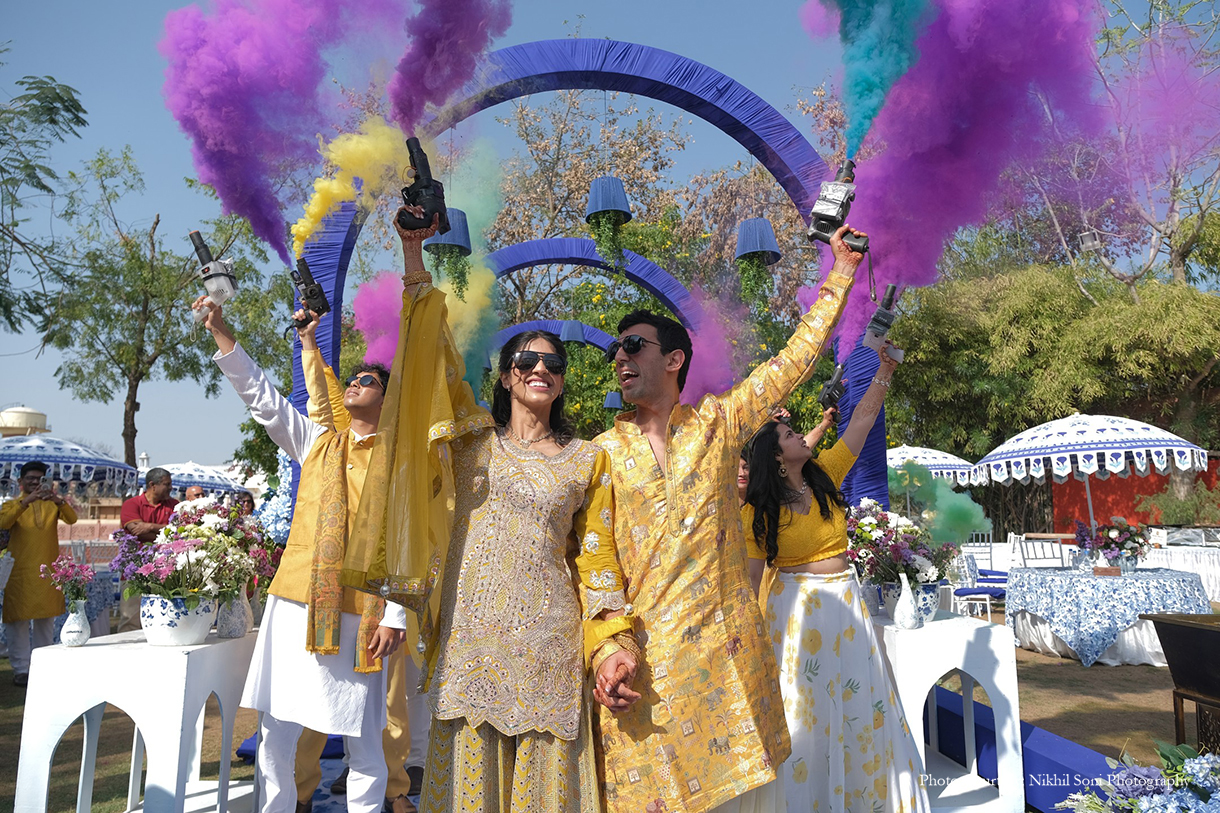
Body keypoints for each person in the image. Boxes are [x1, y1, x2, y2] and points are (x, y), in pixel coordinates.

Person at [342, 207, 639, 813]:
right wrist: (413, 255)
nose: (540, 369)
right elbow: (432, 353)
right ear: (505, 378)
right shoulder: (470, 441)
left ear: (563, 382)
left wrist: (613, 643)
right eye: (526, 362)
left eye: (553, 364)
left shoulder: (588, 460)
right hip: (469, 644)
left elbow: (597, 561)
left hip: (548, 648)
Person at [591, 223, 867, 813]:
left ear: (674, 360)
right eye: (616, 349)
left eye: (633, 345)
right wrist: (606, 645)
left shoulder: (717, 424)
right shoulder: (601, 454)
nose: (619, 357)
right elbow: (596, 560)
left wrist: (842, 272)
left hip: (721, 661)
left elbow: (793, 362)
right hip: (641, 664)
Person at [196, 296, 409, 813]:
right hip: (293, 602)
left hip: (359, 611)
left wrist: (396, 615)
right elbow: (261, 397)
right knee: (276, 731)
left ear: (389, 401)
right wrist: (220, 331)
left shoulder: (400, 464)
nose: (355, 382)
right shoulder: (317, 442)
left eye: (368, 380)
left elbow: (407, 542)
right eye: (352, 378)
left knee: (364, 739)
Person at [743, 341, 929, 813]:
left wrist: (884, 372)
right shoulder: (757, 511)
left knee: (857, 706)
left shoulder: (824, 473)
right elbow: (748, 584)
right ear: (777, 457)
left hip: (846, 606)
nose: (800, 436)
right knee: (803, 715)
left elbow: (862, 421)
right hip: (794, 616)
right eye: (789, 434)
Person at [0, 461, 77, 687]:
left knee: (46, 620)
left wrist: (57, 500)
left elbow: (72, 519)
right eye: (30, 479)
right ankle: (21, 669)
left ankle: (43, 666)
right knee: (18, 622)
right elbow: (3, 522)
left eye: (39, 479)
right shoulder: (11, 505)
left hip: (47, 573)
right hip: (20, 572)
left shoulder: (53, 505)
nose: (34, 482)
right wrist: (26, 502)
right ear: (20, 481)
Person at [117, 467, 178, 631]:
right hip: (134, 569)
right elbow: (135, 530)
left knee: (163, 618)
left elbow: (180, 531)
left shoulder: (175, 505)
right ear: (152, 485)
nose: (171, 488)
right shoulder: (131, 504)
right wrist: (164, 532)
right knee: (130, 618)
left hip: (165, 570)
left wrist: (150, 526)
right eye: (167, 484)